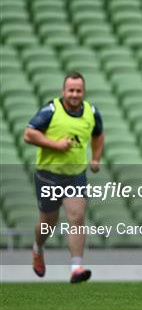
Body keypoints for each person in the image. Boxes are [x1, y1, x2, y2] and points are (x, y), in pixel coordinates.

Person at [24, 71, 104, 283]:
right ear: (63, 91)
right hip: (48, 176)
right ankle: (38, 248)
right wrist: (56, 145)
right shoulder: (51, 110)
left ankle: (76, 267)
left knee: (77, 218)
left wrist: (95, 158)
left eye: (78, 90)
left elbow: (98, 135)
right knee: (48, 222)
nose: (75, 94)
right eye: (71, 90)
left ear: (83, 92)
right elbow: (29, 134)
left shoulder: (91, 112)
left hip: (75, 176)